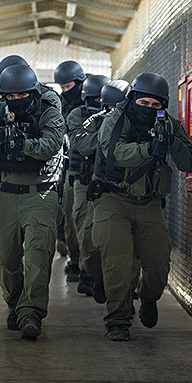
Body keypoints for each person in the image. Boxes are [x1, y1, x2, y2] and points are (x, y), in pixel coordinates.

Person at [90, 72, 192, 341]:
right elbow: (113, 153)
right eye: (144, 103)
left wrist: (169, 141)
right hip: (113, 198)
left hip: (149, 203)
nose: (149, 109)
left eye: (156, 105)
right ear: (133, 98)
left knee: (159, 266)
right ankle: (118, 321)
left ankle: (148, 297)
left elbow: (189, 162)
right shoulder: (116, 118)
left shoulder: (167, 124)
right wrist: (149, 149)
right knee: (118, 264)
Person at [0, 64, 65, 340]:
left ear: (33, 92)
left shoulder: (48, 110)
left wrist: (22, 143)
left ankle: (31, 314)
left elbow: (51, 144)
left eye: (22, 95)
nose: (16, 101)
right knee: (4, 254)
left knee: (38, 256)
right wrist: (1, 134)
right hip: (9, 194)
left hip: (41, 193)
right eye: (10, 96)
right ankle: (16, 304)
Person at [75, 79, 130, 303]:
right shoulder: (95, 121)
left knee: (126, 252)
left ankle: (125, 299)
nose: (111, 111)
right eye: (107, 107)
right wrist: (107, 131)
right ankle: (96, 277)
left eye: (116, 107)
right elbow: (82, 145)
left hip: (124, 192)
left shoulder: (136, 122)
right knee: (89, 240)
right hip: (97, 187)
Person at [66, 74, 109, 295]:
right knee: (83, 227)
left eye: (104, 101)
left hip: (108, 181)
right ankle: (88, 273)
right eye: (95, 101)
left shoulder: (117, 114)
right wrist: (107, 131)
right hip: (83, 180)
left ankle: (101, 276)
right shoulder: (77, 116)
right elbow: (82, 144)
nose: (100, 106)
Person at [54, 60, 86, 282]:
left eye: (69, 86)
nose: (66, 91)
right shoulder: (60, 104)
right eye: (62, 87)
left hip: (90, 167)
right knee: (70, 214)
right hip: (68, 167)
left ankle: (88, 264)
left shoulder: (92, 99)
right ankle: (75, 260)